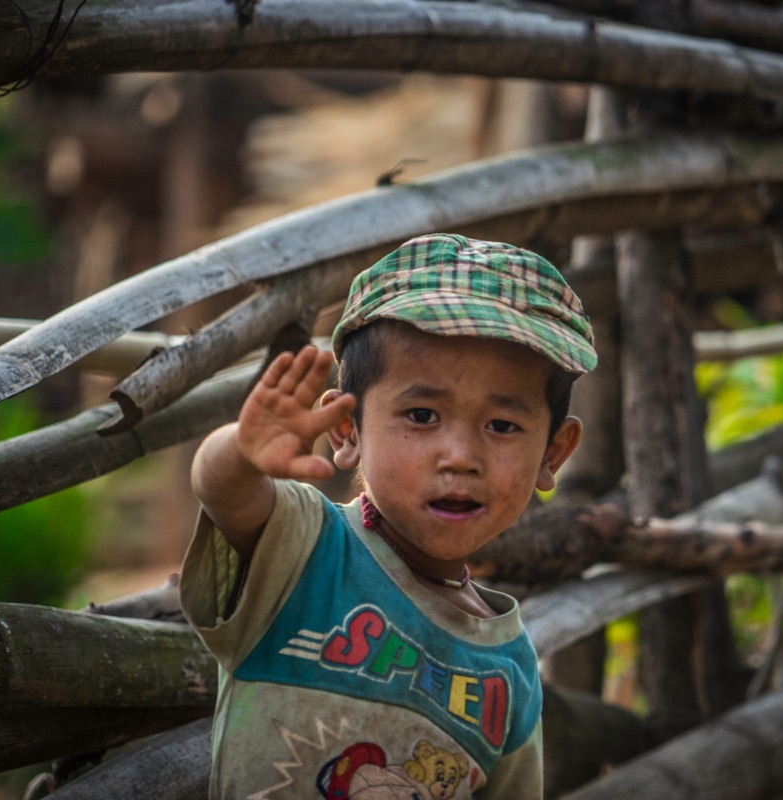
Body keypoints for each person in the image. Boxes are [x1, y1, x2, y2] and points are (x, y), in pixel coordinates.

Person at [180, 232, 597, 799]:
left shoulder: (507, 668)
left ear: (553, 452)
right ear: (345, 430)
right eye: (422, 415)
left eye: (502, 426)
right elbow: (220, 489)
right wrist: (240, 451)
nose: (460, 457)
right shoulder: (303, 549)